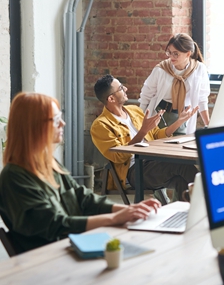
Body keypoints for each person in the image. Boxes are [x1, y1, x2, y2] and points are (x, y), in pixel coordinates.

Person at [0, 92, 161, 254]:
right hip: (51, 257)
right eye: (56, 120)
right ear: (34, 125)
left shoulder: (49, 164)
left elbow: (83, 198)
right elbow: (55, 224)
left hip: (73, 245)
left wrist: (129, 210)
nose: (62, 123)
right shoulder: (14, 177)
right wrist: (114, 218)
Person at [90, 74, 199, 201]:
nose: (125, 89)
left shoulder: (134, 110)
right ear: (111, 98)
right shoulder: (101, 125)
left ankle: (184, 216)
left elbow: (157, 135)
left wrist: (179, 122)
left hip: (154, 161)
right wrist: (143, 131)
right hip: (135, 171)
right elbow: (118, 156)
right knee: (183, 166)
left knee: (182, 178)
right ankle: (214, 201)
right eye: (120, 88)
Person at [139, 33, 210, 135]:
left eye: (176, 54)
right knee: (158, 147)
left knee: (180, 147)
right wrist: (139, 122)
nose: (171, 57)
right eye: (169, 52)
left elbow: (202, 99)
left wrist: (209, 126)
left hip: (182, 116)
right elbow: (146, 96)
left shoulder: (199, 69)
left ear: (188, 54)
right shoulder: (161, 69)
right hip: (159, 115)